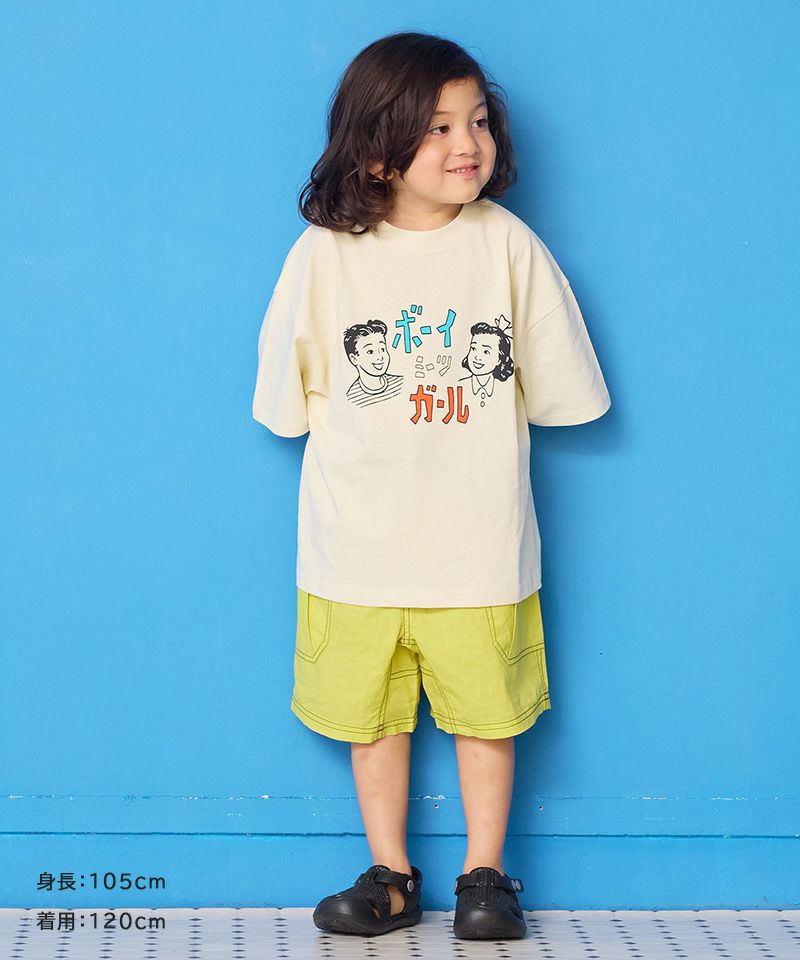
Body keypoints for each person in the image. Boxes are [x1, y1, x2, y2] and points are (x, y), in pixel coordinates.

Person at [252, 31, 611, 940]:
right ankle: (393, 875)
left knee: (486, 716)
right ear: (378, 150)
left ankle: (486, 874)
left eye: (478, 121)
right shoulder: (324, 255)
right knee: (373, 721)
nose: (468, 144)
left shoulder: (508, 248)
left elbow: (564, 391)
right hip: (355, 545)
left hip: (477, 542)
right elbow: (282, 398)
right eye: (439, 127)